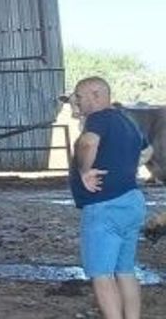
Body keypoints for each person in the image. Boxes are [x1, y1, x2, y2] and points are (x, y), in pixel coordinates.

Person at [67, 76, 149, 319]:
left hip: (105, 207)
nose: (76, 102)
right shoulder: (127, 120)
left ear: (96, 95)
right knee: (125, 271)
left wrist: (84, 171)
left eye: (79, 97)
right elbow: (148, 152)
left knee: (102, 275)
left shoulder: (99, 118)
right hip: (131, 201)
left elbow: (87, 143)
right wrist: (123, 167)